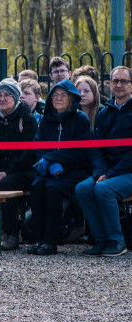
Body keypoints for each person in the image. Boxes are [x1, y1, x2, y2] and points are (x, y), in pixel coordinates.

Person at [27, 80, 92, 255]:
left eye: (63, 95)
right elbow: (38, 145)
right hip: (49, 170)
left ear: (72, 98)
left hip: (75, 170)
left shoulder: (81, 119)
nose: (58, 98)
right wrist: (46, 161)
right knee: (36, 187)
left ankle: (51, 241)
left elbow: (81, 151)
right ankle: (39, 238)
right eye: (55, 95)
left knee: (52, 190)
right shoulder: (47, 120)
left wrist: (51, 158)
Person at [75, 65, 132, 256]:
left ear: (131, 85)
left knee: (103, 189)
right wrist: (100, 172)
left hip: (127, 172)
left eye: (124, 81)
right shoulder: (104, 113)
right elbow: (96, 148)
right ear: (110, 84)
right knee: (82, 188)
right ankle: (100, 240)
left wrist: (110, 175)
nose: (119, 85)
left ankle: (117, 241)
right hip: (107, 172)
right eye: (115, 80)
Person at [0, 78, 39, 250]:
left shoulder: (27, 118)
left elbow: (28, 153)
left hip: (23, 169)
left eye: (7, 95)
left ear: (15, 98)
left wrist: (7, 172)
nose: (2, 99)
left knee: (7, 185)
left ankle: (11, 234)